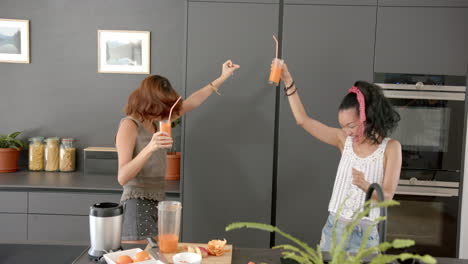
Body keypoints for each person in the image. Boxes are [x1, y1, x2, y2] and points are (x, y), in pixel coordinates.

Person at [276, 60, 402, 252]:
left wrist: (366, 186)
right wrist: (287, 79)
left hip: (365, 236)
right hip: (333, 229)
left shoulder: (391, 148)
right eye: (343, 126)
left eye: (351, 126)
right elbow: (303, 120)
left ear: (367, 117)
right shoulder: (344, 140)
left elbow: (388, 196)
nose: (347, 132)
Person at [116, 60, 240, 243]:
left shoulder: (157, 120)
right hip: (137, 202)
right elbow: (122, 177)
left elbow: (193, 101)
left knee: (160, 258)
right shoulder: (129, 125)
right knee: (142, 260)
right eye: (162, 109)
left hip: (158, 200)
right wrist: (151, 147)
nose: (167, 114)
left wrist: (222, 77)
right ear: (149, 103)